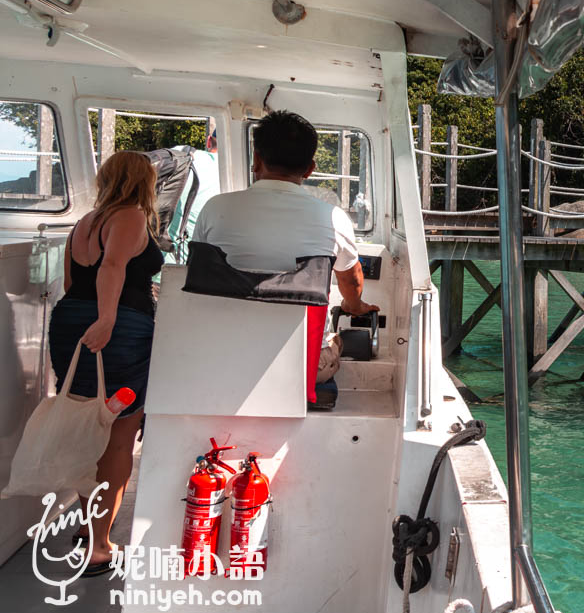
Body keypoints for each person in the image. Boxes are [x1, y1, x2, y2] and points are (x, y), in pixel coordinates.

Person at [191, 111, 377, 407]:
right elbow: (351, 280)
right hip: (300, 366)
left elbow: (196, 271)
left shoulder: (214, 210)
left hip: (222, 357)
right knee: (335, 342)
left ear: (256, 160)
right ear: (310, 169)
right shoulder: (333, 219)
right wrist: (354, 306)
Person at [48, 151, 164, 574]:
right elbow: (112, 266)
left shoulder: (84, 222)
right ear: (143, 181)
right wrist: (108, 319)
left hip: (69, 323)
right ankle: (99, 545)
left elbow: (70, 282)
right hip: (119, 333)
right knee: (118, 434)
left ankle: (88, 528)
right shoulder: (131, 216)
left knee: (89, 427)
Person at [163, 129, 220, 265]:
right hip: (207, 265)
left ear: (209, 141)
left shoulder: (182, 154)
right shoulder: (242, 173)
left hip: (165, 258)